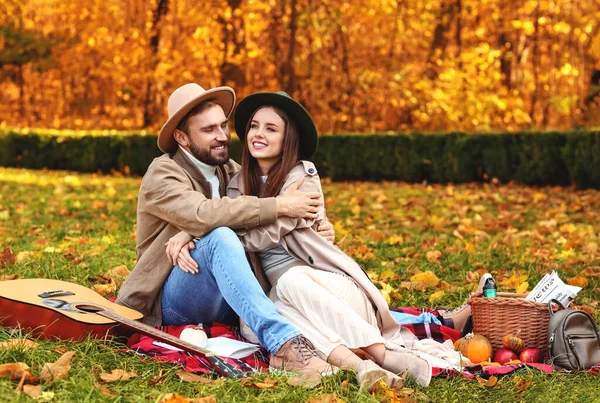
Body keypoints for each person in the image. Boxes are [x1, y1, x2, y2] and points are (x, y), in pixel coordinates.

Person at [167, 91, 472, 389]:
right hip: (280, 295)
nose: (258, 134)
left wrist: (250, 224)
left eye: (271, 128)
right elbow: (220, 217)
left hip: (326, 286)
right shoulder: (236, 183)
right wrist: (195, 230)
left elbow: (263, 232)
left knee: (291, 281)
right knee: (273, 321)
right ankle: (360, 366)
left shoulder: (303, 174)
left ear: (288, 139)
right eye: (254, 126)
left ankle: (383, 353)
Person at [116, 83, 339, 377]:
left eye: (223, 125)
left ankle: (350, 340)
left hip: (231, 298)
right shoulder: (163, 173)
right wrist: (280, 206)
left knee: (302, 292)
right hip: (175, 298)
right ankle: (284, 345)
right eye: (209, 130)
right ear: (182, 137)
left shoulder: (230, 169)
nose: (222, 136)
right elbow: (203, 214)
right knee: (220, 235)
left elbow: (259, 214)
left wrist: (315, 225)